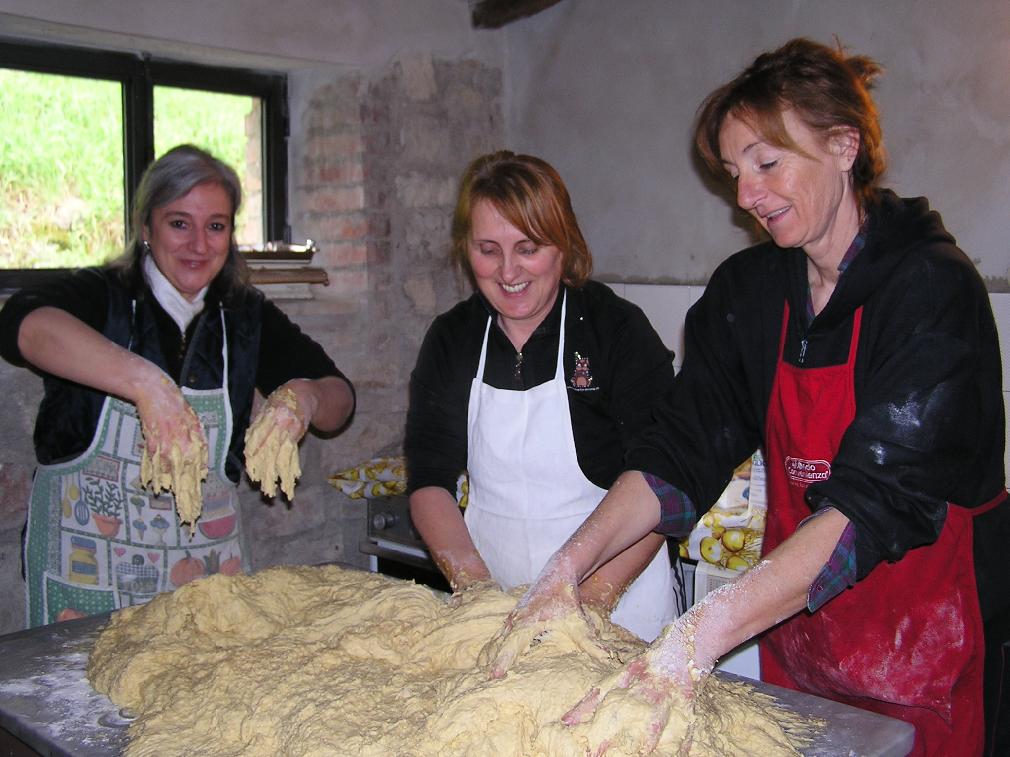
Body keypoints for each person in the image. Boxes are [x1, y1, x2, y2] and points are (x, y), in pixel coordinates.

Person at [484, 39, 1010, 756]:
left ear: (844, 145)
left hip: (924, 653)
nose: (746, 195)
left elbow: (869, 504)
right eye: (735, 172)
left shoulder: (931, 291)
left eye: (767, 162)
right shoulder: (751, 293)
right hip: (800, 644)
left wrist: (692, 638)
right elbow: (678, 449)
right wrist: (565, 568)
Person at [0, 144, 355, 628]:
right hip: (88, 572)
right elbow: (21, 325)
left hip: (207, 569)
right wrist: (146, 385)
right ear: (146, 227)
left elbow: (341, 399)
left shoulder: (243, 315)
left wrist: (305, 399)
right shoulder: (103, 296)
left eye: (216, 226)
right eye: (179, 223)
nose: (198, 244)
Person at [404, 150, 678, 641]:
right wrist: (477, 593)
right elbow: (429, 480)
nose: (508, 271)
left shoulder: (614, 330)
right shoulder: (453, 339)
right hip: (495, 597)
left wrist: (586, 606)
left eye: (528, 247)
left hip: (616, 605)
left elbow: (668, 482)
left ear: (563, 244)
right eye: (488, 249)